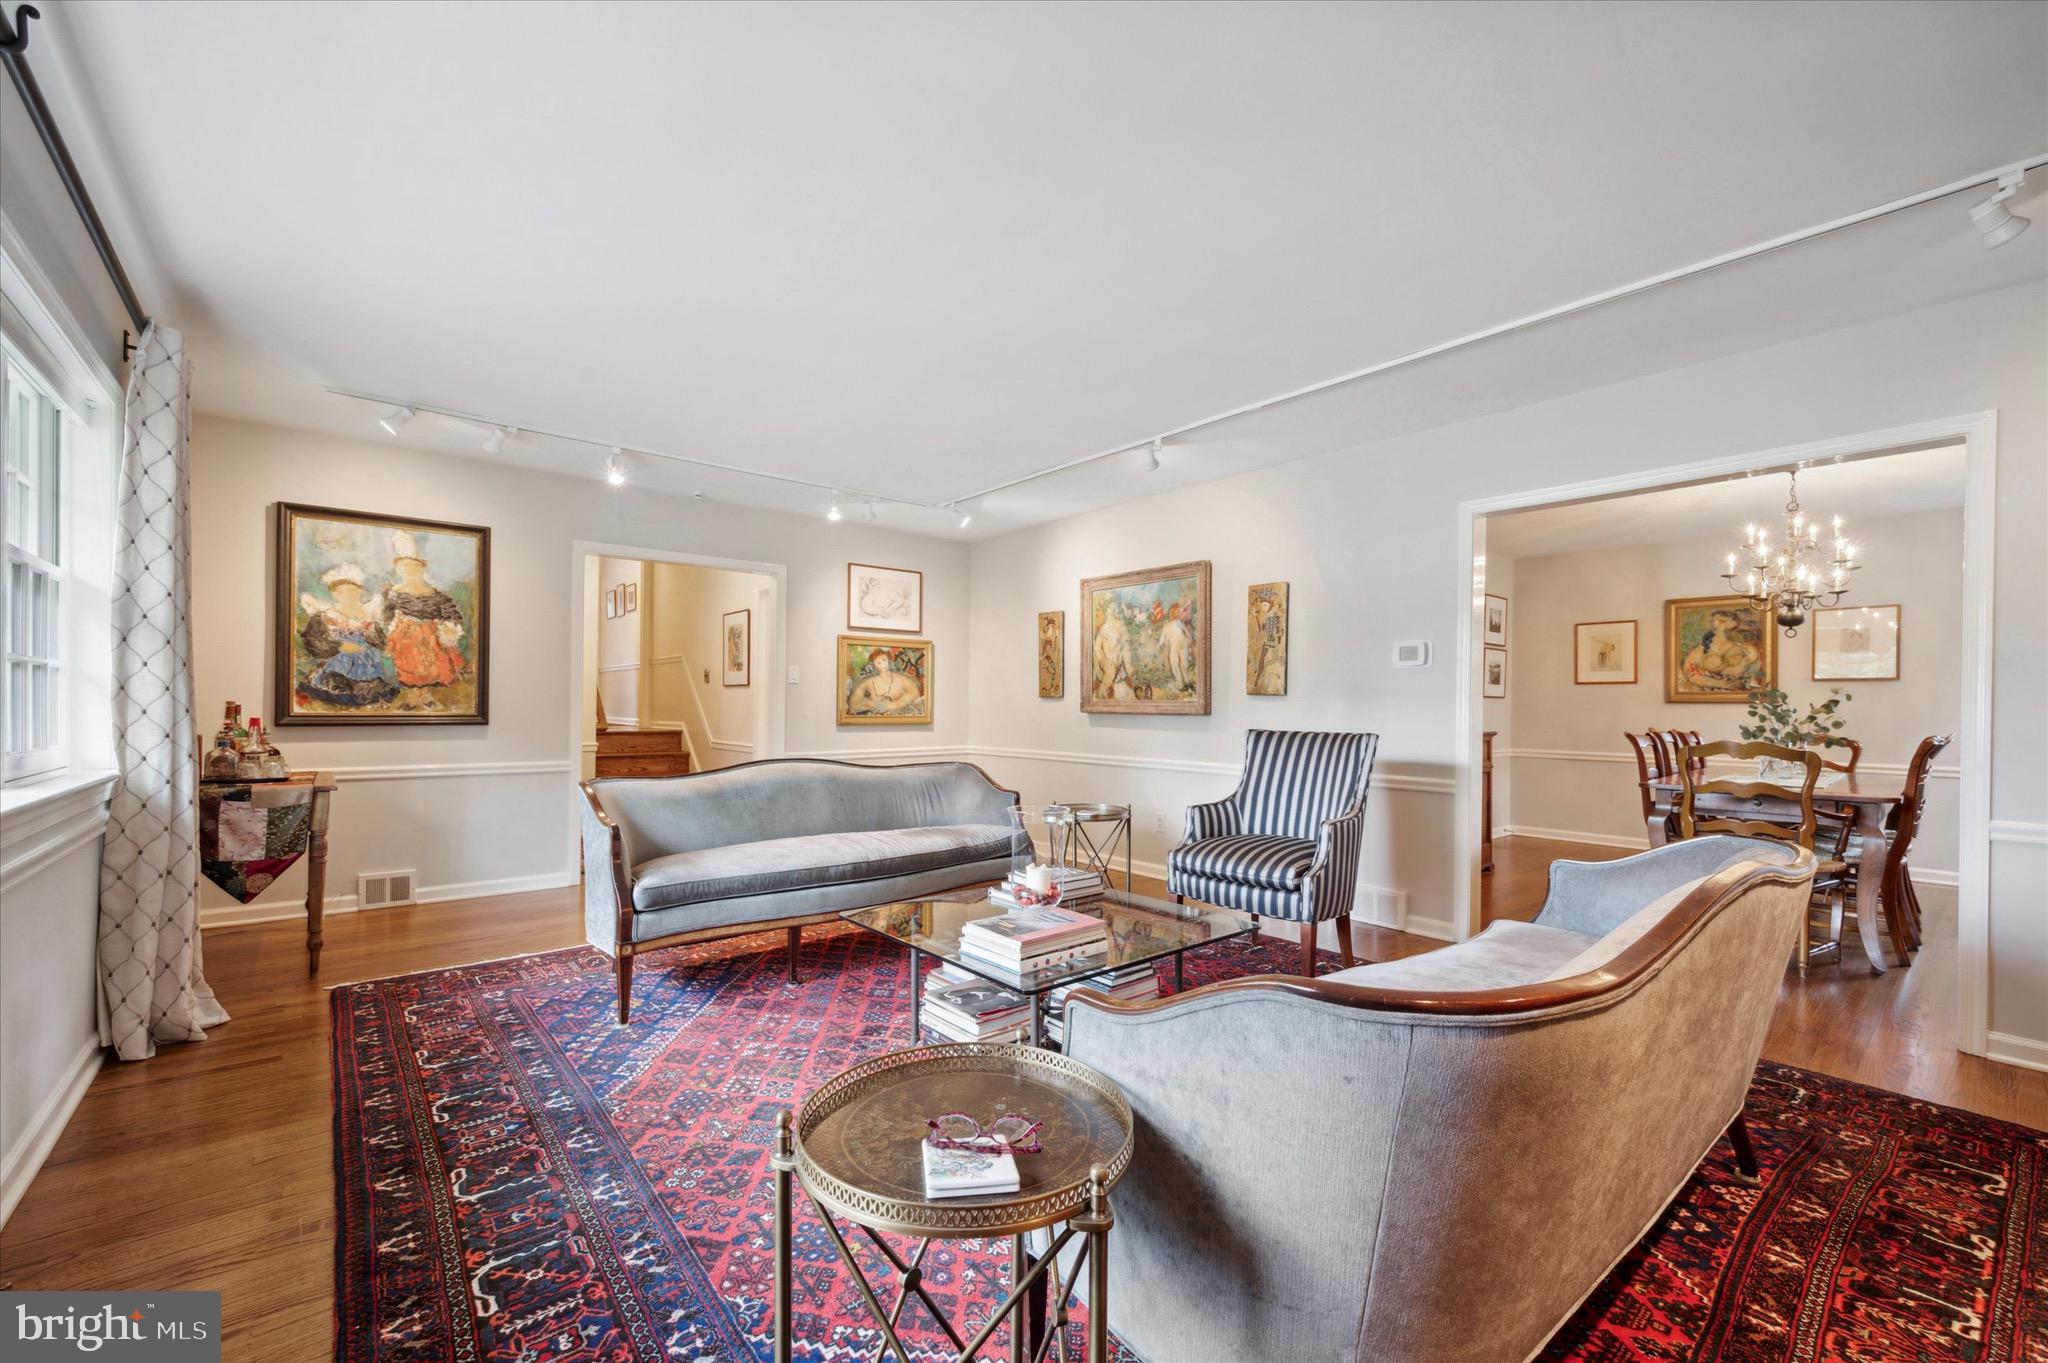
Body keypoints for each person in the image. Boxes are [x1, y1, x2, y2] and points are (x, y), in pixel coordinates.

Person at [383, 532, 467, 702]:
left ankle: (426, 695)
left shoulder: (437, 595)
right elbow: (387, 614)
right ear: (398, 570)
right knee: (410, 664)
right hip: (405, 637)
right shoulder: (394, 594)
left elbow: (452, 614)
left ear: (422, 569)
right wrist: (392, 626)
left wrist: (449, 628)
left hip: (430, 638)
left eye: (414, 567)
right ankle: (414, 696)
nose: (409, 571)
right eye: (404, 567)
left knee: (431, 665)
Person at [299, 565, 398, 707]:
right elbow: (314, 639)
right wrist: (340, 646)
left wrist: (373, 642)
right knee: (337, 681)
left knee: (371, 685)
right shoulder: (328, 615)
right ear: (334, 593)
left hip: (366, 662)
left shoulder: (368, 613)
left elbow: (380, 639)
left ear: (359, 591)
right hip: (339, 660)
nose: (347, 595)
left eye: (352, 591)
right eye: (341, 592)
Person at [1682, 609, 1762, 693]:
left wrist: (1739, 669)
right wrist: (1724, 684)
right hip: (1708, 692)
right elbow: (1690, 674)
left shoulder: (1747, 650)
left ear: (1733, 624)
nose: (1716, 624)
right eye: (1713, 621)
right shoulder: (1701, 649)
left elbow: (1750, 674)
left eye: (1722, 621)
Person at [847, 646, 923, 716]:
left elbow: (914, 692)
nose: (883, 664)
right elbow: (854, 704)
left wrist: (896, 704)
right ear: (874, 665)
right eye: (878, 662)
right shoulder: (869, 682)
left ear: (888, 660)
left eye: (884, 660)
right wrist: (871, 704)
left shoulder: (900, 679)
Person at [1160, 600, 1194, 693]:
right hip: (1180, 645)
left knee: (1178, 663)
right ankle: (1184, 682)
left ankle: (1183, 683)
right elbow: (1187, 635)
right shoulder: (1176, 623)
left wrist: (1189, 640)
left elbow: (1162, 639)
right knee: (1181, 663)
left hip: (1179, 646)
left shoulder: (1174, 623)